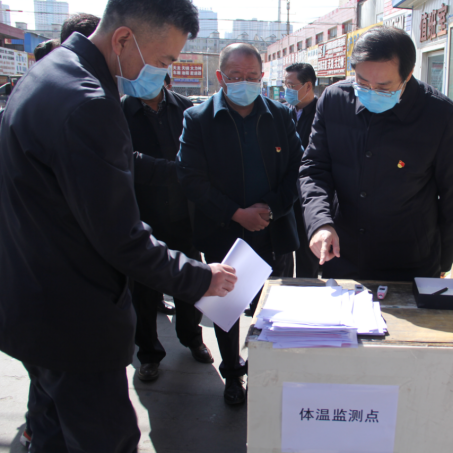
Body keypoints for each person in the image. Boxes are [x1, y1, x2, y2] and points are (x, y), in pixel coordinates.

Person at [0, 0, 238, 451]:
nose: (164, 71)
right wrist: (200, 277)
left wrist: (174, 171)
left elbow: (97, 163)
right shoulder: (88, 101)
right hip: (73, 319)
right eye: (164, 60)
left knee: (52, 434)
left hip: (31, 302)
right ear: (124, 39)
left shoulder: (49, 75)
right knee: (106, 440)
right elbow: (120, 237)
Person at [177, 43, 303, 405]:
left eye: (251, 76)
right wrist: (236, 213)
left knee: (273, 308)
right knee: (227, 309)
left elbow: (297, 168)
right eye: (235, 76)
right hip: (224, 233)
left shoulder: (279, 115)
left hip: (272, 230)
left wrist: (270, 209)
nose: (244, 82)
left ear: (262, 77)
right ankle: (233, 374)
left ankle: (271, 372)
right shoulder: (198, 118)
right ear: (221, 77)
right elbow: (190, 178)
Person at [299, 26, 453, 282]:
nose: (370, 91)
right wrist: (320, 223)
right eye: (361, 82)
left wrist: (443, 260)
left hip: (410, 261)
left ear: (408, 74)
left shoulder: (442, 116)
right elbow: (314, 168)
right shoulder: (334, 101)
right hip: (343, 253)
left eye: (383, 87)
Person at [122, 63, 213, 382]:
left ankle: (192, 338)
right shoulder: (119, 111)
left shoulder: (187, 108)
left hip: (184, 214)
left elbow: (204, 153)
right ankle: (148, 354)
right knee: (144, 292)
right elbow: (123, 159)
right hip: (142, 216)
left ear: (165, 76)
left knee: (191, 283)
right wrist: (177, 170)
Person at [284, 62, 320, 278]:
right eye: (285, 84)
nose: (287, 90)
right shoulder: (283, 113)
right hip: (286, 194)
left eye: (291, 85)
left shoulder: (322, 113)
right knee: (284, 252)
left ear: (308, 86)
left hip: (309, 195)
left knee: (308, 254)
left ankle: (308, 288)